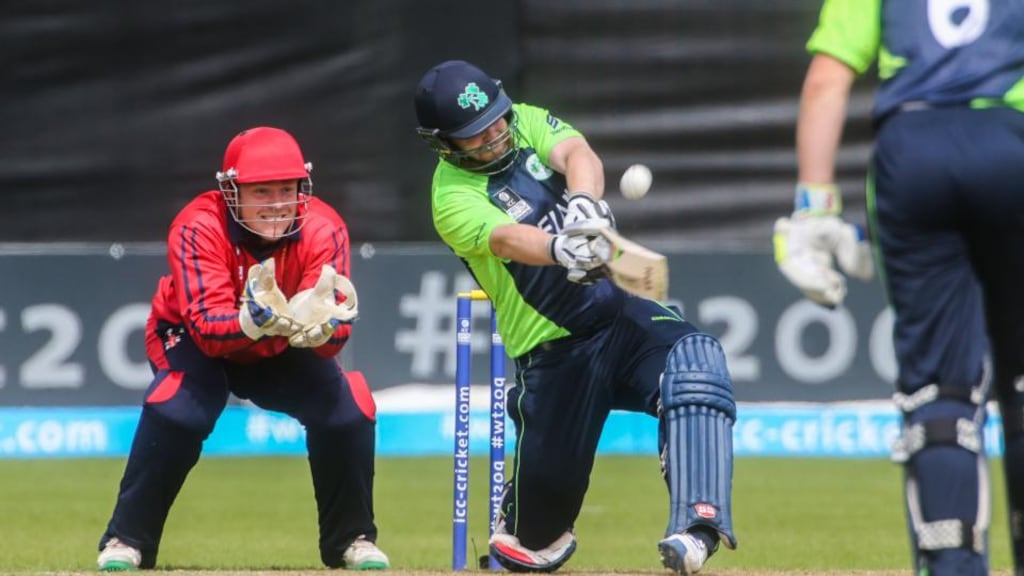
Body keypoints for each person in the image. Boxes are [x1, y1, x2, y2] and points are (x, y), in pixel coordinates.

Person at [414, 59, 738, 575]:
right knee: (535, 545)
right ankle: (526, 516)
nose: (496, 135)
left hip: (618, 318)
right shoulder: (451, 196)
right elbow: (507, 239)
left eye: (497, 120)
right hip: (553, 353)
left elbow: (575, 152)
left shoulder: (522, 119)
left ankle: (698, 527)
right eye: (476, 134)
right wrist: (562, 246)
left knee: (696, 365)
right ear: (444, 144)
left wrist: (585, 205)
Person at [773, 1, 1024, 574]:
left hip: (912, 153)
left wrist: (814, 209)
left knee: (940, 390)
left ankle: (953, 563)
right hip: (1013, 143)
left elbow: (825, 83)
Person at [95, 126, 389, 571]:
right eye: (261, 191)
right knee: (180, 407)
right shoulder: (198, 226)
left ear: (301, 188)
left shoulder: (325, 229)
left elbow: (334, 339)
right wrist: (252, 320)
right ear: (232, 190)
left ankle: (352, 540)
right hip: (192, 337)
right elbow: (208, 329)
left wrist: (323, 330)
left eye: (286, 190)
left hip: (278, 342)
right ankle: (126, 540)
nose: (276, 203)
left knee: (348, 409)